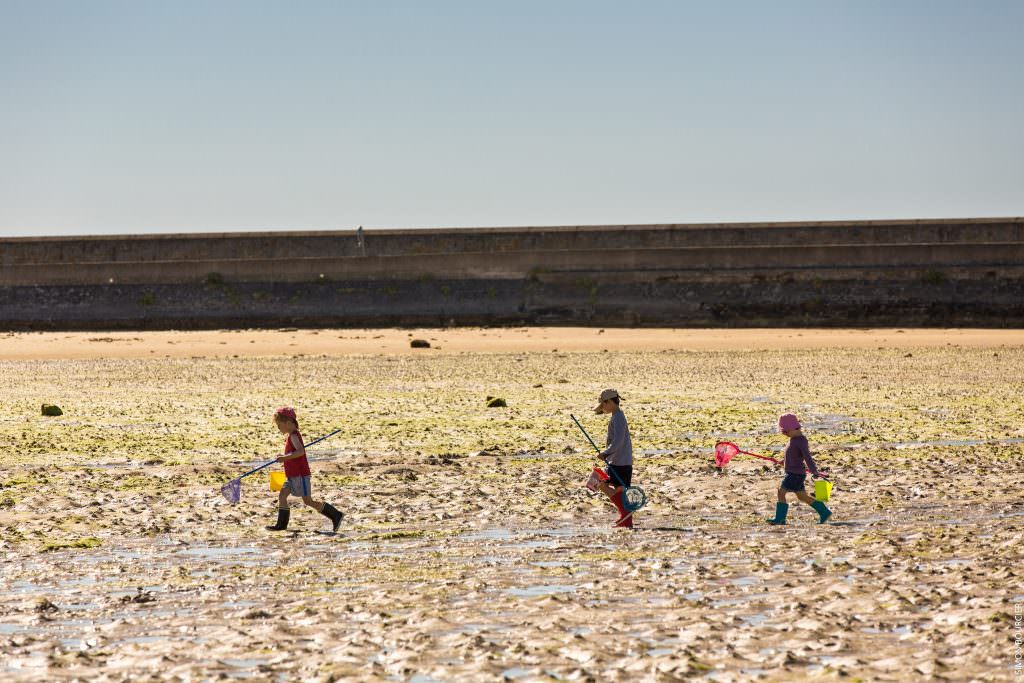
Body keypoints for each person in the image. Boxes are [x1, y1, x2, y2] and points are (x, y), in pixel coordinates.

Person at [266, 407, 344, 532]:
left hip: (300, 475)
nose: (278, 428)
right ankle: (281, 525)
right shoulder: (291, 436)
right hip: (291, 475)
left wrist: (285, 458)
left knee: (308, 501)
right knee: (282, 496)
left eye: (279, 425)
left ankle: (336, 515)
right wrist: (284, 457)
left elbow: (301, 452)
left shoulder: (293, 436)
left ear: (288, 423)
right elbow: (296, 451)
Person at [767, 413, 831, 525]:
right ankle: (824, 512)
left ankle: (780, 519)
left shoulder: (800, 440)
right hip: (795, 473)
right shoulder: (794, 438)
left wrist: (814, 470)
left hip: (795, 474)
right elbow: (794, 456)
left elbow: (807, 457)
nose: (784, 434)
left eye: (785, 431)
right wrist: (784, 462)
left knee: (781, 492)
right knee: (802, 496)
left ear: (793, 428)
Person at [594, 389, 635, 528]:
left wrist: (605, 453)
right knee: (619, 490)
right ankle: (626, 520)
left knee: (602, 484)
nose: (603, 408)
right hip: (621, 460)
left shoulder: (618, 417)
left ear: (610, 402)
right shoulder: (617, 416)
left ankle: (625, 512)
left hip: (620, 461)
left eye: (603, 405)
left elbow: (618, 442)